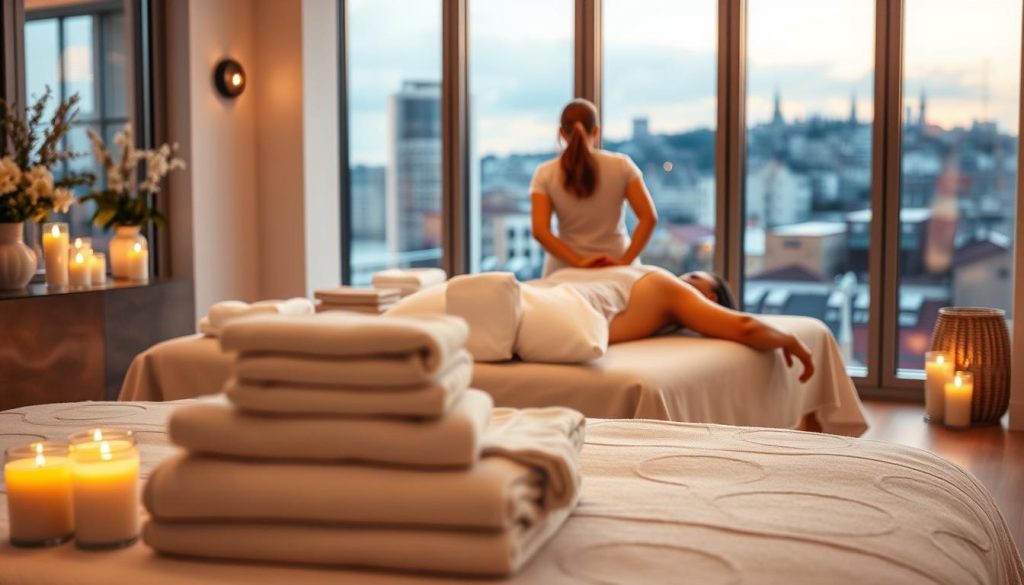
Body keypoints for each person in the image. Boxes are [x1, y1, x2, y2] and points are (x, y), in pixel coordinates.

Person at [531, 99, 814, 382]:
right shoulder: (620, 165)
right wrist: (624, 262)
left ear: (561, 132)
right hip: (617, 268)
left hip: (564, 269)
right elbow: (649, 218)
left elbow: (541, 231)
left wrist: (579, 261)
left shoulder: (546, 173)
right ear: (597, 131)